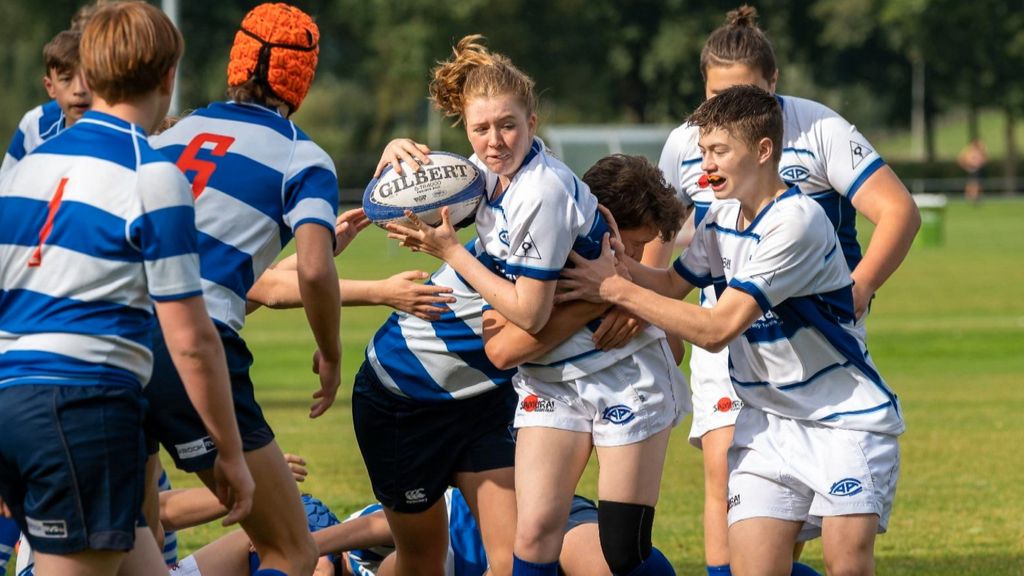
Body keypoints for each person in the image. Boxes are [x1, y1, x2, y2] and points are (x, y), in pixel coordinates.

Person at [561, 85, 903, 576]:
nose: (705, 166)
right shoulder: (720, 217)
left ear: (764, 151)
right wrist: (612, 257)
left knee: (846, 563)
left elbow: (718, 328)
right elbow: (672, 283)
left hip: (842, 420)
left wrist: (615, 289)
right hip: (765, 424)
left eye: (719, 151)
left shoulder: (797, 223)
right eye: (702, 152)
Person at [383, 36, 682, 576]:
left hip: (618, 373)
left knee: (620, 549)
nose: (494, 141)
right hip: (550, 379)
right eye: (481, 129)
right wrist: (395, 164)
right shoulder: (486, 172)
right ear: (467, 131)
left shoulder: (541, 190)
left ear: (532, 121)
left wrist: (452, 252)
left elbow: (529, 316)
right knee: (533, 534)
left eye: (508, 125)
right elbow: (412, 213)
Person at [652, 7, 919, 575]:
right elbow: (662, 244)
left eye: (744, 93)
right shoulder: (688, 145)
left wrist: (861, 285)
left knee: (803, 529)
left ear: (773, 85)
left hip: (809, 336)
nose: (726, 112)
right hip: (723, 331)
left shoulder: (818, 128)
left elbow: (897, 210)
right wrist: (656, 320)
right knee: (726, 475)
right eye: (714, 97)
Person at [0, 2, 255, 575]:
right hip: (82, 409)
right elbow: (190, 339)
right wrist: (229, 455)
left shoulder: (23, 169)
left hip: (11, 403)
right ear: (169, 76)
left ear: (86, 74)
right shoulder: (153, 174)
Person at [146, 4, 340, 575]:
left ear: (237, 63)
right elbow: (313, 270)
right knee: (292, 549)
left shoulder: (171, 133)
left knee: (132, 545)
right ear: (300, 80)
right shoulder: (305, 157)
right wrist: (329, 351)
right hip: (192, 351)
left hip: (110, 337)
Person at [1, 29, 93, 179]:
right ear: (50, 87)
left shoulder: (122, 130)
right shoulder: (35, 125)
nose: (79, 90)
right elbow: (5, 186)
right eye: (66, 79)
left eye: (88, 78)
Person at [957, 138, 987, 203]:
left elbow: (984, 158)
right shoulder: (969, 151)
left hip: (977, 169)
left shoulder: (979, 151)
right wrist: (967, 167)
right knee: (972, 184)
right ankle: (971, 197)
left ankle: (975, 197)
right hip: (972, 169)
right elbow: (961, 159)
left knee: (977, 184)